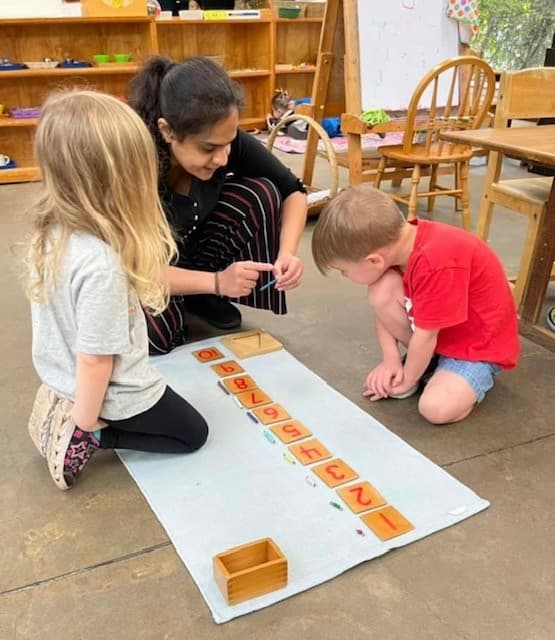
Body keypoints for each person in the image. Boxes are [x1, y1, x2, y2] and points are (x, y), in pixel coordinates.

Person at [25, 90, 209, 491]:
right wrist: (87, 422)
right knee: (193, 433)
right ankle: (91, 436)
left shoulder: (51, 231)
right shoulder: (101, 263)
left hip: (60, 372)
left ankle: (71, 409)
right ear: (118, 181)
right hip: (109, 395)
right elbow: (96, 361)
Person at [128, 56, 307, 354]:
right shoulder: (134, 160)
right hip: (142, 268)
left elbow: (294, 191)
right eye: (209, 148)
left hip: (188, 253)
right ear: (167, 130)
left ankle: (197, 295)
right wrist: (217, 281)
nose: (223, 158)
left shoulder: (222, 137)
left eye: (229, 143)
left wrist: (287, 253)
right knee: (155, 340)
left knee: (261, 193)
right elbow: (131, 267)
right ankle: (198, 289)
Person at [311, 185, 520, 425]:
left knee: (435, 408)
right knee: (381, 288)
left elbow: (427, 335)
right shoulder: (397, 242)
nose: (345, 276)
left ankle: (465, 377)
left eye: (343, 270)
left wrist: (408, 379)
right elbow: (385, 310)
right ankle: (431, 365)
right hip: (439, 335)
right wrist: (390, 359)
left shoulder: (436, 263)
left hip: (476, 348)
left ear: (373, 259)